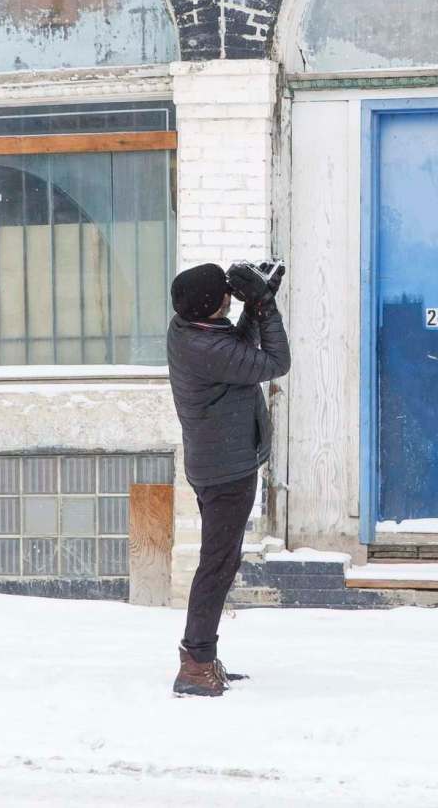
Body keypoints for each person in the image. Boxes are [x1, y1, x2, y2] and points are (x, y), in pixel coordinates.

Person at [166, 260, 291, 698]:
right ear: (212, 306)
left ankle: (201, 655)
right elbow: (275, 362)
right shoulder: (207, 349)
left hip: (215, 464)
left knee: (221, 560)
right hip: (226, 473)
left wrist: (254, 309)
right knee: (217, 565)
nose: (228, 292)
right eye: (225, 291)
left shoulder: (189, 330)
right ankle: (195, 665)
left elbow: (237, 351)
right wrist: (263, 304)